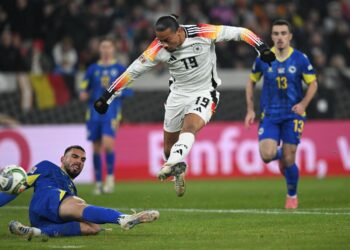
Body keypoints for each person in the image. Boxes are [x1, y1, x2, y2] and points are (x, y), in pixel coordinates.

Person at [93, 14, 276, 197]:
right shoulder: (156, 48)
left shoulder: (203, 32)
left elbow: (241, 32)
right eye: (160, 39)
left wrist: (262, 48)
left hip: (204, 92)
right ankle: (177, 167)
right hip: (177, 96)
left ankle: (170, 164)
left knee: (190, 127)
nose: (163, 44)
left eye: (166, 39)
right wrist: (106, 97)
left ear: (179, 32)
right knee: (168, 148)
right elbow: (131, 72)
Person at [0, 145, 159, 239]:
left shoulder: (71, 187)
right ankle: (123, 218)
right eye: (74, 157)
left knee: (93, 228)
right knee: (78, 203)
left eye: (83, 160)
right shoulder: (46, 166)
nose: (79, 161)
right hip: (46, 201)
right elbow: (18, 187)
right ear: (62, 159)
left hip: (48, 219)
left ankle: (34, 232)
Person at [244, 19, 318, 209]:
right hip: (270, 115)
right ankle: (281, 155)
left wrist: (303, 104)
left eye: (283, 33)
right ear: (271, 37)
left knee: (290, 159)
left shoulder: (300, 59)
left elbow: (313, 84)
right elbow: (251, 82)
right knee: (267, 155)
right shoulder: (263, 58)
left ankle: (291, 195)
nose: (279, 37)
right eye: (276, 33)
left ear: (290, 36)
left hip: (293, 115)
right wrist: (250, 109)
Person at [80, 37, 133, 195]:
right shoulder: (92, 69)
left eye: (108, 47)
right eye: (103, 47)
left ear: (113, 49)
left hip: (111, 113)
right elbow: (83, 87)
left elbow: (130, 90)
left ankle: (109, 178)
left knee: (108, 145)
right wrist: (83, 93)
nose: (105, 50)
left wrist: (119, 92)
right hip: (93, 114)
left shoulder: (119, 68)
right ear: (99, 50)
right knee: (95, 148)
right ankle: (97, 182)